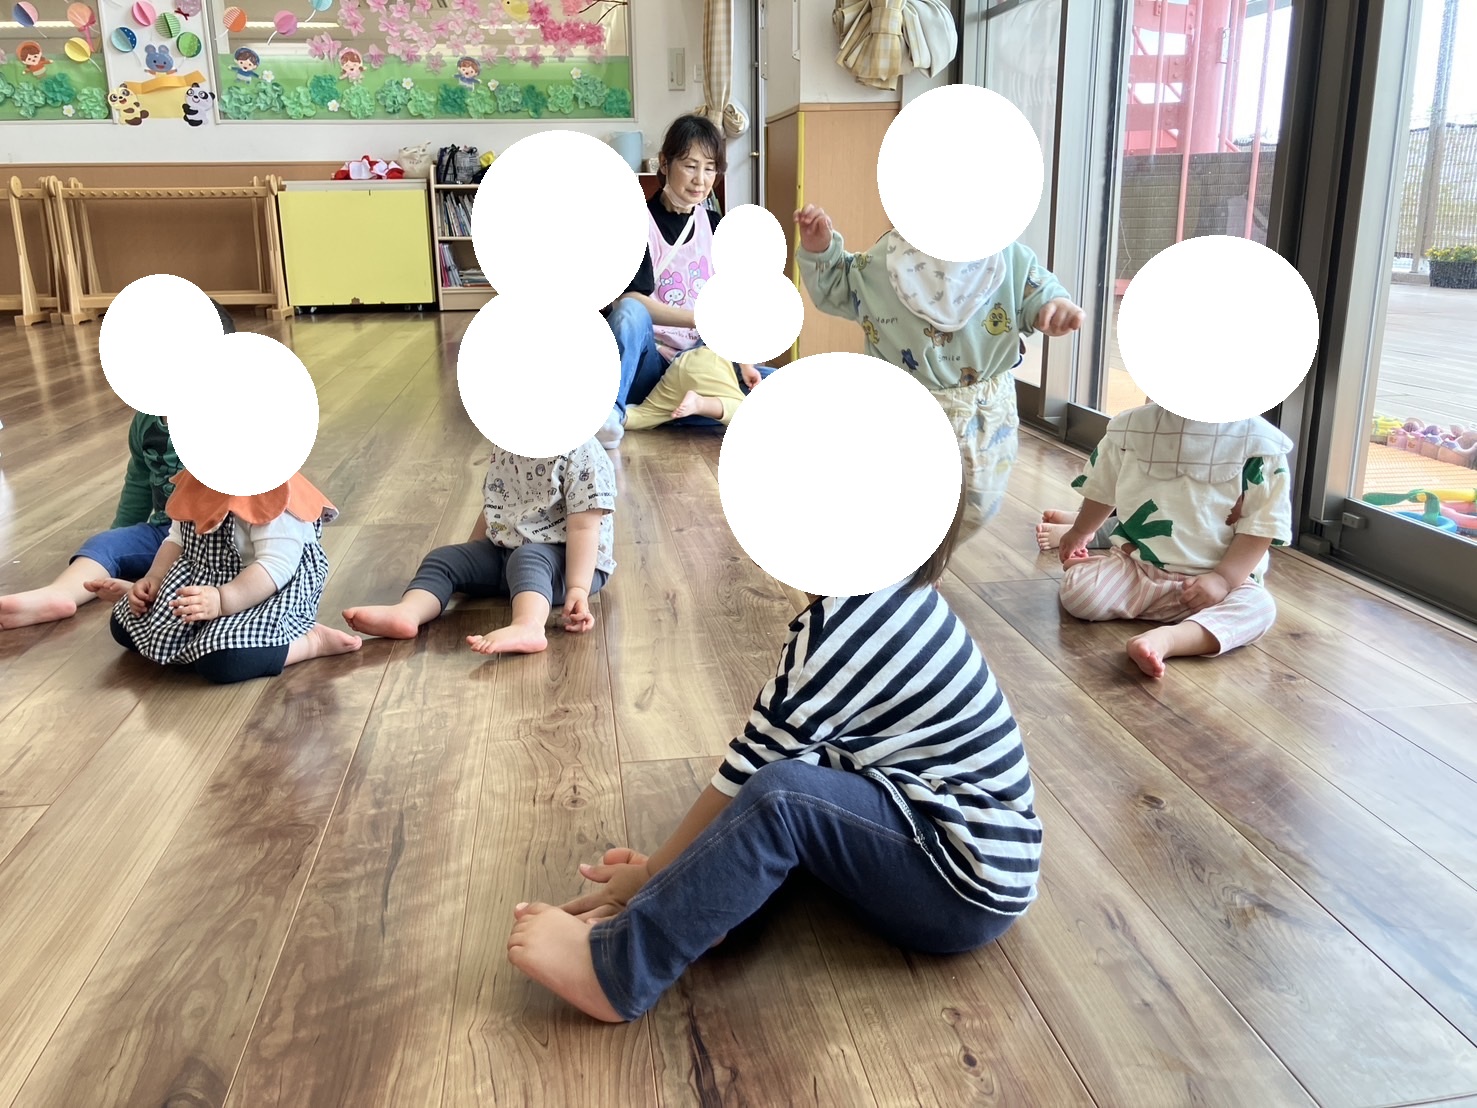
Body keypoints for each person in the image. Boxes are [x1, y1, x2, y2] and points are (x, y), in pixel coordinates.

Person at [505, 481, 1043, 1022]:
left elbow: (749, 772)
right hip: (945, 843)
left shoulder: (849, 631)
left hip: (960, 881)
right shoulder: (886, 599)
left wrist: (656, 875)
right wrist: (682, 869)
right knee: (786, 789)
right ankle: (704, 909)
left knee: (781, 798)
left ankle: (620, 969)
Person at [794, 204, 1084, 539]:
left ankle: (934, 552)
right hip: (904, 410)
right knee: (896, 502)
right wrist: (821, 250)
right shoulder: (886, 260)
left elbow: (1035, 287)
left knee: (977, 506)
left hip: (986, 413)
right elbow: (841, 284)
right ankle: (909, 555)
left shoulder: (1006, 257)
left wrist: (1053, 305)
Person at [0, 299, 235, 632]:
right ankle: (59, 594)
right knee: (103, 545)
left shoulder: (229, 415)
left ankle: (164, 590)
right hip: (165, 534)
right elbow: (139, 482)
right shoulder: (146, 421)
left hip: (221, 536)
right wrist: (120, 532)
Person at [1055, 402, 1294, 678]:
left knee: (1260, 608)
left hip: (1218, 586)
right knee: (1079, 594)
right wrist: (1081, 531)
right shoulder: (1131, 429)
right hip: (1139, 569)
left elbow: (1260, 526)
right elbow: (1102, 487)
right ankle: (1095, 571)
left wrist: (1223, 580)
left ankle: (1168, 640)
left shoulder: (1261, 445)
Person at [343, 438, 616, 655]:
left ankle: (529, 625)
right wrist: (471, 560)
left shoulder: (582, 455)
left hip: (569, 563)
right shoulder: (508, 446)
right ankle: (409, 611)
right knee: (444, 559)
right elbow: (496, 506)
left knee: (528, 558)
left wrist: (578, 588)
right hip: (506, 551)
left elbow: (584, 528)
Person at [598, 114, 769, 447]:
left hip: (701, 362)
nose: (700, 180)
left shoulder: (716, 224)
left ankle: (675, 411)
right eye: (690, 166)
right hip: (651, 366)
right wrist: (699, 318)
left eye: (709, 168)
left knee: (775, 383)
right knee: (630, 312)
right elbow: (630, 301)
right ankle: (611, 414)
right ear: (664, 163)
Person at [109, 469, 361, 684]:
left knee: (225, 661)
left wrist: (222, 600)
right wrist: (155, 577)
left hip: (263, 590)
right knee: (124, 625)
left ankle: (309, 642)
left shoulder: (270, 493)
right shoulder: (197, 480)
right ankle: (198, 641)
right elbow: (176, 539)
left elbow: (276, 565)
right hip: (203, 582)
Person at [622, 346, 761, 432]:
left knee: (641, 416)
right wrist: (747, 367)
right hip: (710, 363)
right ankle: (699, 404)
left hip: (680, 368)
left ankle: (616, 416)